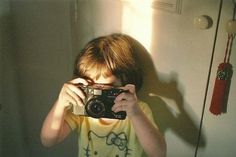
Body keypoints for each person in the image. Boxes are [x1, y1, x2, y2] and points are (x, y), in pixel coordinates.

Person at [40, 33, 166, 157]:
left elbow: (159, 153)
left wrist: (135, 113)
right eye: (91, 87)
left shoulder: (138, 110)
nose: (97, 95)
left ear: (126, 83)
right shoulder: (83, 107)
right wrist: (60, 104)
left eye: (107, 88)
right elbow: (48, 141)